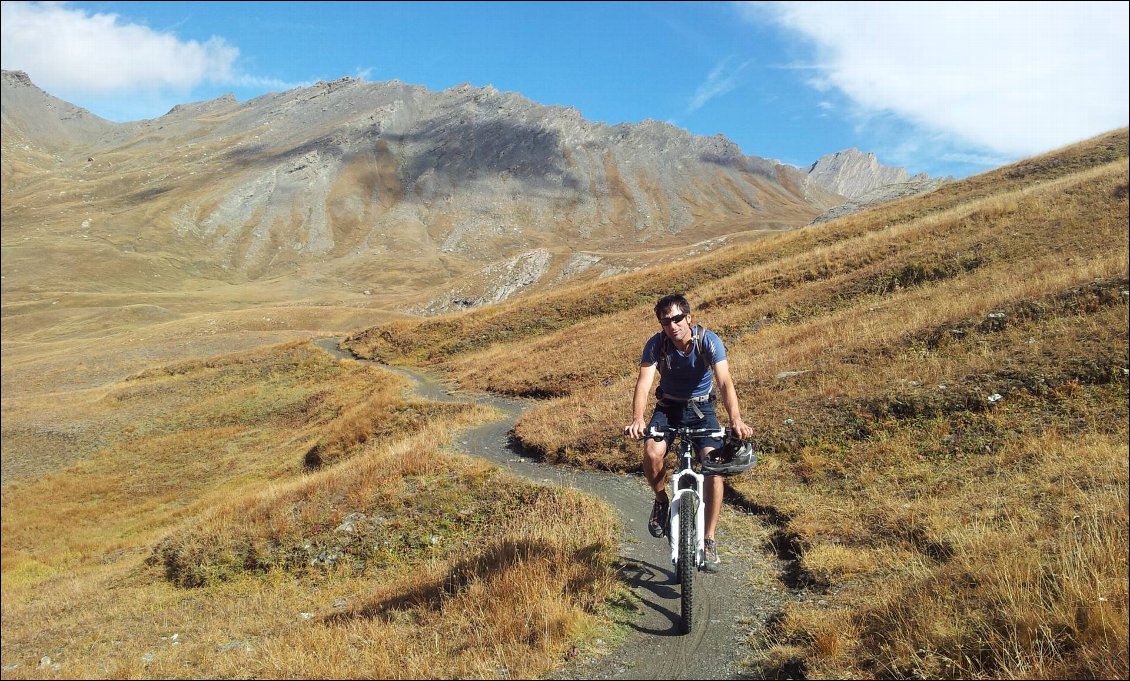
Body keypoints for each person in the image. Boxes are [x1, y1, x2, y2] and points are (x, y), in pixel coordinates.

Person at [623, 293, 754, 572]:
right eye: (666, 321)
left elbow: (725, 382)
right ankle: (660, 501)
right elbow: (644, 384)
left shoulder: (709, 341)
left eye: (677, 318)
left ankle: (708, 539)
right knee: (652, 451)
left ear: (689, 318)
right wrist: (637, 419)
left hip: (702, 409)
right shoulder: (657, 345)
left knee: (714, 466)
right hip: (668, 407)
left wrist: (736, 420)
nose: (672, 325)